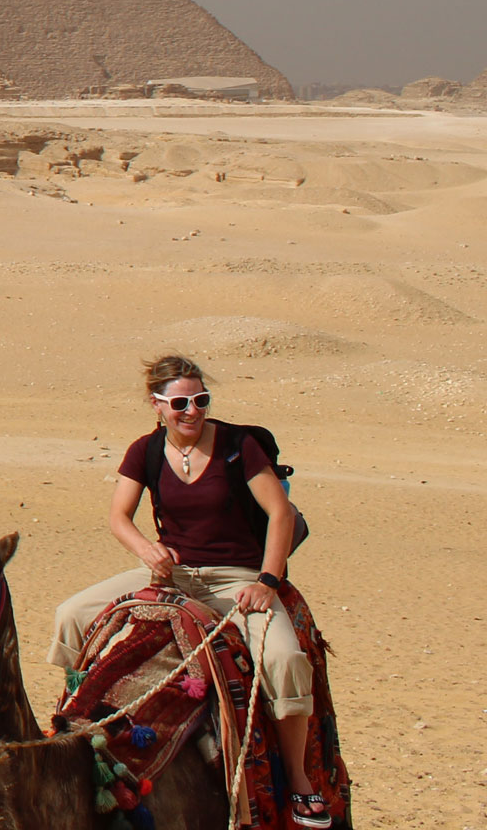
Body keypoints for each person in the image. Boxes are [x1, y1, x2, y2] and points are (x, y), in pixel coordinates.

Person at [49, 355, 330, 829]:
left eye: (200, 400)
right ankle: (71, 726)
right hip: (171, 574)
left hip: (237, 576)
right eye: (180, 402)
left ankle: (301, 783)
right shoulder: (146, 451)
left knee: (282, 658)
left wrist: (267, 581)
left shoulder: (239, 447)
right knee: (71, 613)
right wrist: (148, 550)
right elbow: (119, 516)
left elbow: (280, 514)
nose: (192, 411)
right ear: (157, 405)